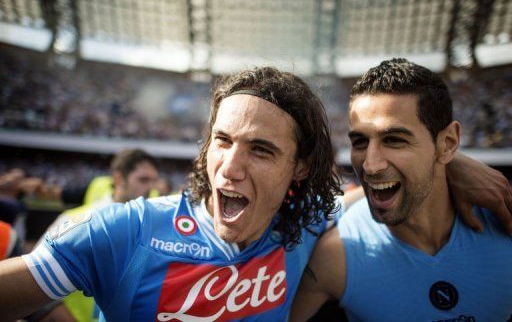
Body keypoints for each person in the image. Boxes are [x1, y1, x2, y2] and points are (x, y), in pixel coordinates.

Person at [0, 67, 510, 321]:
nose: (232, 167)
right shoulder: (124, 231)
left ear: (300, 167)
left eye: (262, 151)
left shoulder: (307, 226)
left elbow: (378, 186)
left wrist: (451, 163)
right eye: (222, 141)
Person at [290, 59, 512, 321]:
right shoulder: (335, 257)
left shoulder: (503, 223)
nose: (370, 166)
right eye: (360, 142)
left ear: (448, 143)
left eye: (394, 140)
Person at [32, 148, 160, 322]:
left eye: (154, 180)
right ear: (119, 178)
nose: (151, 188)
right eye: (143, 180)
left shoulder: (153, 227)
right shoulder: (73, 221)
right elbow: (33, 282)